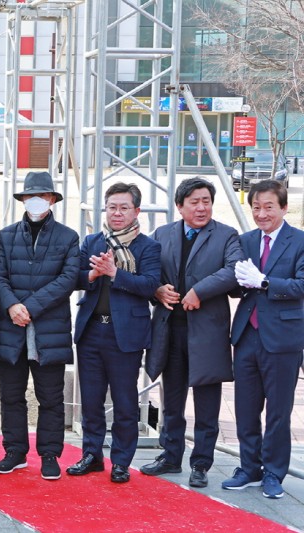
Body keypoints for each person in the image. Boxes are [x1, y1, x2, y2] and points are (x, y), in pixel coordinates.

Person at [140, 177, 241, 488]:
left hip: (207, 333)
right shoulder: (161, 234)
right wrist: (156, 290)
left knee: (207, 402)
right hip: (170, 332)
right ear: (180, 206)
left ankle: (201, 463)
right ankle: (170, 456)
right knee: (171, 400)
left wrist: (199, 290)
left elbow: (234, 269)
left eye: (206, 201)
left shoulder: (226, 235)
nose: (201, 207)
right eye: (194, 202)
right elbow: (148, 273)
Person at [67, 182, 160, 484]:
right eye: (111, 207)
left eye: (123, 208)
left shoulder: (148, 246)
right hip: (92, 330)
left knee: (124, 401)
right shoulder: (93, 241)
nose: (117, 213)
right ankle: (92, 455)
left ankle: (121, 461)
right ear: (104, 209)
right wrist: (92, 274)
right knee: (91, 400)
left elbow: (149, 286)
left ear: (136, 211)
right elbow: (75, 278)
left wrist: (115, 274)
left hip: (126, 335)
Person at [0, 171, 79, 481]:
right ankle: (14, 451)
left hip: (49, 331)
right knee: (11, 395)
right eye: (30, 196)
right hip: (11, 329)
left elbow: (67, 279)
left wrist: (31, 306)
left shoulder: (68, 237)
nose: (36, 201)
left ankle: (50, 454)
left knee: (50, 398)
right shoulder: (5, 235)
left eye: (42, 195)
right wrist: (12, 305)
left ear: (52, 199)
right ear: (23, 200)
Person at [223, 179, 304, 499]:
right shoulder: (244, 240)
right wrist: (241, 284)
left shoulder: (299, 241)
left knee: (279, 411)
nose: (262, 213)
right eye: (256, 207)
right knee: (245, 407)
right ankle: (248, 468)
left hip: (283, 338)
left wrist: (266, 281)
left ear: (284, 207)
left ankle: (274, 472)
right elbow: (234, 284)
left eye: (269, 207)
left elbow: (301, 285)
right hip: (247, 335)